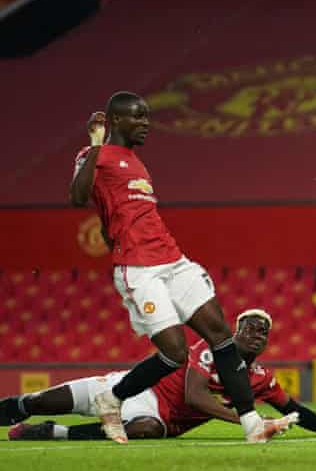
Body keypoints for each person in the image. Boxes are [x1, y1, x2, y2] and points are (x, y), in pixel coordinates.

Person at [19, 92, 287, 444]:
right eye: (139, 117)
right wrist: (95, 144)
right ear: (116, 121)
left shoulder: (137, 163)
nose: (147, 124)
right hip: (139, 268)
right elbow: (77, 197)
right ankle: (111, 398)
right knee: (175, 354)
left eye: (147, 117)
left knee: (221, 335)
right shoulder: (93, 155)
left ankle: (252, 424)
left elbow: (117, 214)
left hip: (173, 260)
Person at [4, 309, 316, 441]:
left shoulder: (261, 378)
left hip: (164, 421)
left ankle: (55, 432)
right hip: (138, 388)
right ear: (234, 333)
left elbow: (297, 409)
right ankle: (21, 413)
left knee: (145, 430)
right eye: (249, 328)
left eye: (263, 332)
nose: (256, 335)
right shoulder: (209, 350)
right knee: (36, 401)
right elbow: (194, 396)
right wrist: (250, 422)